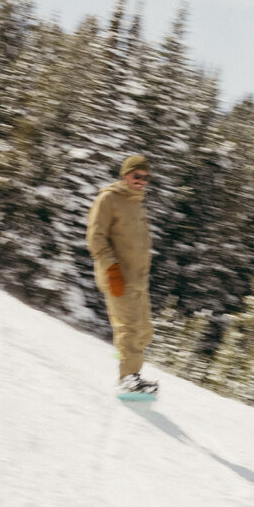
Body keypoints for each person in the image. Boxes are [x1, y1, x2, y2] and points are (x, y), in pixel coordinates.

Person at [86, 154, 158, 396]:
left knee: (145, 330)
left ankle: (124, 354)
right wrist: (111, 266)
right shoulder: (109, 199)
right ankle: (128, 377)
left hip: (138, 279)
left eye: (145, 177)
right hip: (117, 276)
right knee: (130, 327)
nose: (141, 181)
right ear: (125, 175)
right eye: (136, 175)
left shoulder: (137, 204)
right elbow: (95, 237)